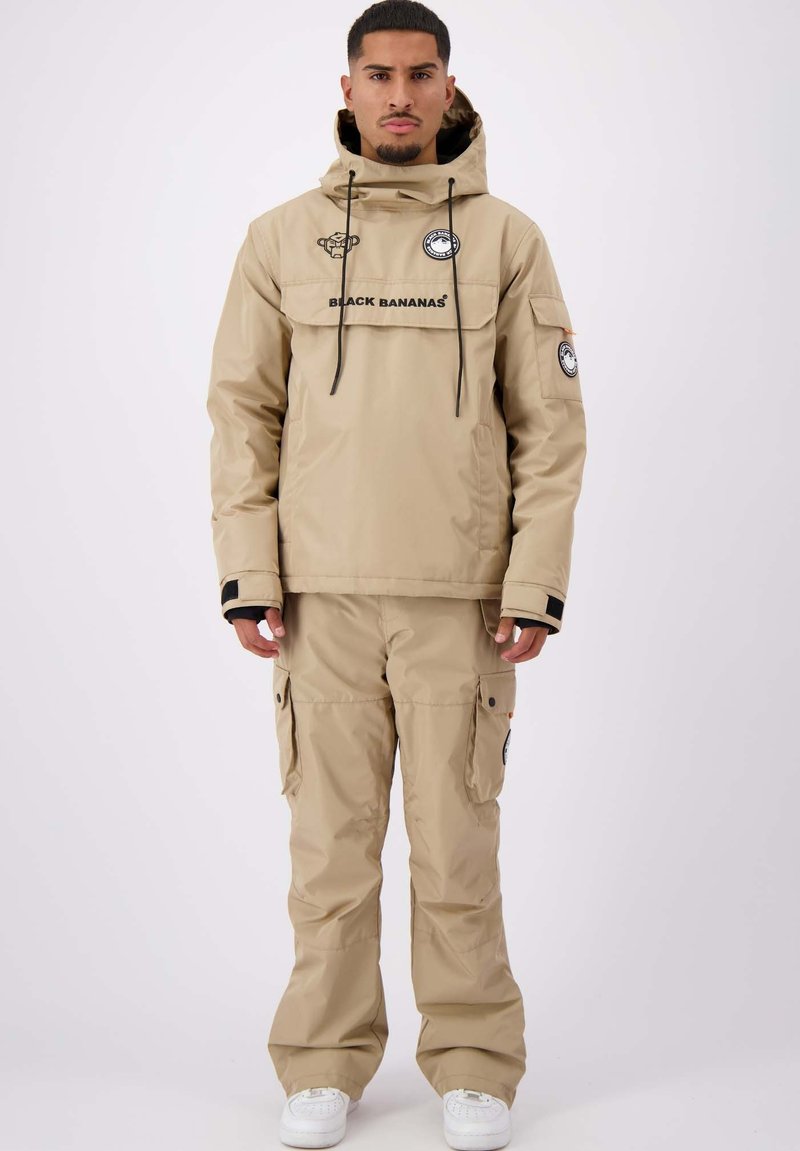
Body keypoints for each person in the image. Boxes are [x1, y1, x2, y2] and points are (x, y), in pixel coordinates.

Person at [206, 2, 587, 1146]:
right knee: (327, 854)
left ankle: (472, 1059)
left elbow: (550, 428)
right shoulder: (280, 239)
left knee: (455, 847)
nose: (400, 96)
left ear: (448, 85)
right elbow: (241, 415)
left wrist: (531, 582)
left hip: (457, 598)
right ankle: (322, 1058)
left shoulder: (507, 239)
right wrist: (248, 571)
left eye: (420, 75)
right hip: (318, 597)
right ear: (348, 87)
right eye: (378, 75)